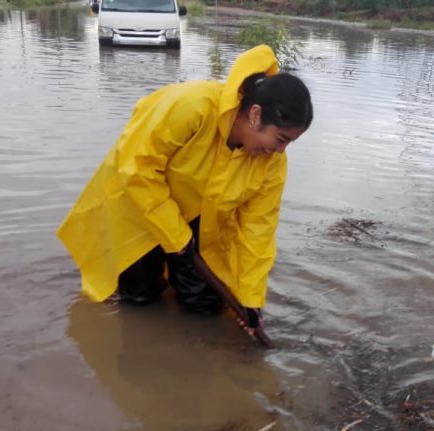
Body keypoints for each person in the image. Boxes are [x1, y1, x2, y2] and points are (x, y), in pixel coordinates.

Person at [57, 45, 313, 335]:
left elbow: (258, 231)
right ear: (255, 114)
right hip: (140, 205)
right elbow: (137, 169)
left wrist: (250, 302)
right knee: (140, 298)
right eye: (280, 138)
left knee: (205, 307)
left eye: (288, 143)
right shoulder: (192, 107)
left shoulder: (272, 163)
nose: (279, 150)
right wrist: (176, 237)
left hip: (201, 221)